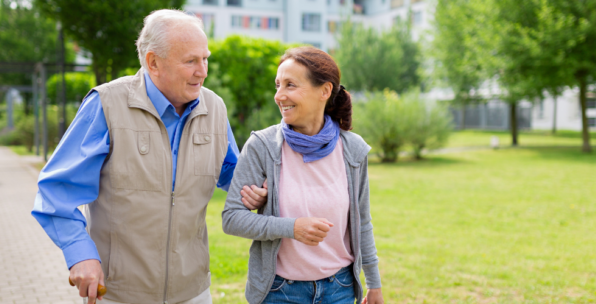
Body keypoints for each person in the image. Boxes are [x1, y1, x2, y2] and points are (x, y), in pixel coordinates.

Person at [31, 10, 267, 304]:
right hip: (119, 293)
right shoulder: (106, 105)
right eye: (191, 61)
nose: (202, 71)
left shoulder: (214, 108)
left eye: (205, 58)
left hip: (193, 291)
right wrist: (80, 255)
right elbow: (56, 192)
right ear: (154, 62)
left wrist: (254, 191)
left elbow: (233, 173)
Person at [222, 46, 385, 304]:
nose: (279, 96)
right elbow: (231, 218)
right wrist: (291, 227)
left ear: (325, 90)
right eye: (277, 85)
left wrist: (374, 284)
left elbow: (362, 222)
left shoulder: (353, 150)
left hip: (339, 289)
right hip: (278, 292)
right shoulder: (262, 146)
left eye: (290, 85)